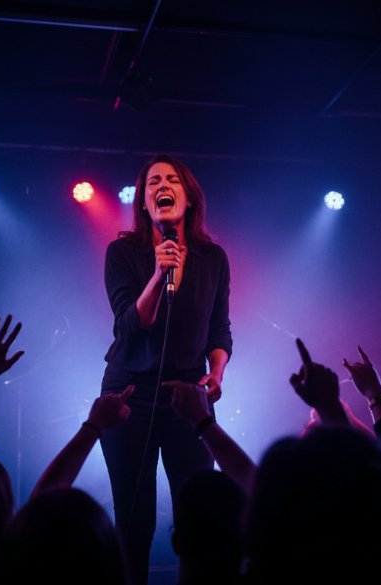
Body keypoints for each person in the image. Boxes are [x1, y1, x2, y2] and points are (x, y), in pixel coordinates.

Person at [99, 154, 232, 584]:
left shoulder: (213, 258)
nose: (162, 185)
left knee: (201, 515)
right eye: (152, 181)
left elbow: (220, 328)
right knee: (135, 521)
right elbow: (129, 325)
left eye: (171, 179)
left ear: (188, 197)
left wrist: (218, 371)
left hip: (187, 399)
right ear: (143, 202)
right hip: (129, 396)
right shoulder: (123, 252)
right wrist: (159, 273)